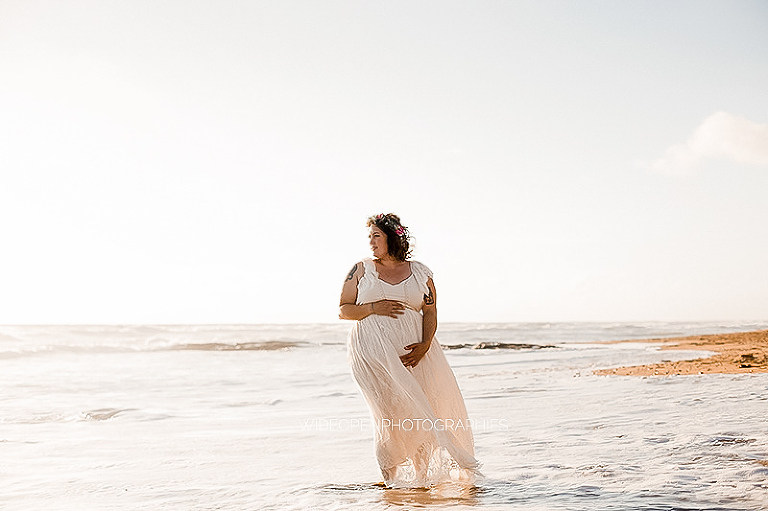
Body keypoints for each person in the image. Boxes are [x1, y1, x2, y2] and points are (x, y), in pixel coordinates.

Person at [339, 213, 481, 487]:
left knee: (419, 407)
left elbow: (430, 311)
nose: (371, 242)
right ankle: (390, 478)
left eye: (376, 236)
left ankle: (421, 478)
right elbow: (344, 309)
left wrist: (425, 344)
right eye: (369, 237)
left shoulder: (420, 272)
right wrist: (373, 308)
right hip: (373, 354)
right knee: (387, 411)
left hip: (415, 353)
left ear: (393, 237)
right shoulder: (360, 270)